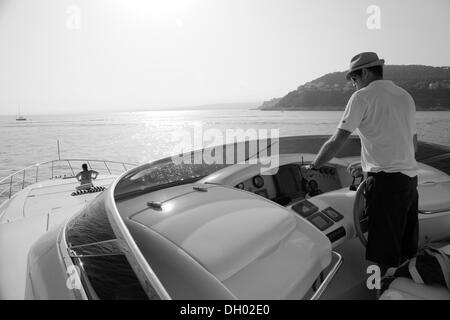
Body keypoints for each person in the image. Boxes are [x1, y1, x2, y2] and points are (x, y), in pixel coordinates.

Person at [305, 52, 419, 277]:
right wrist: (367, 165)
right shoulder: (405, 96)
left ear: (365, 72)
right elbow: (412, 145)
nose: (353, 85)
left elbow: (337, 140)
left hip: (385, 185)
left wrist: (315, 166)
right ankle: (405, 287)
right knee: (406, 247)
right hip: (409, 182)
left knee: (382, 253)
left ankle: (383, 291)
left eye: (354, 79)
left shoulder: (362, 97)